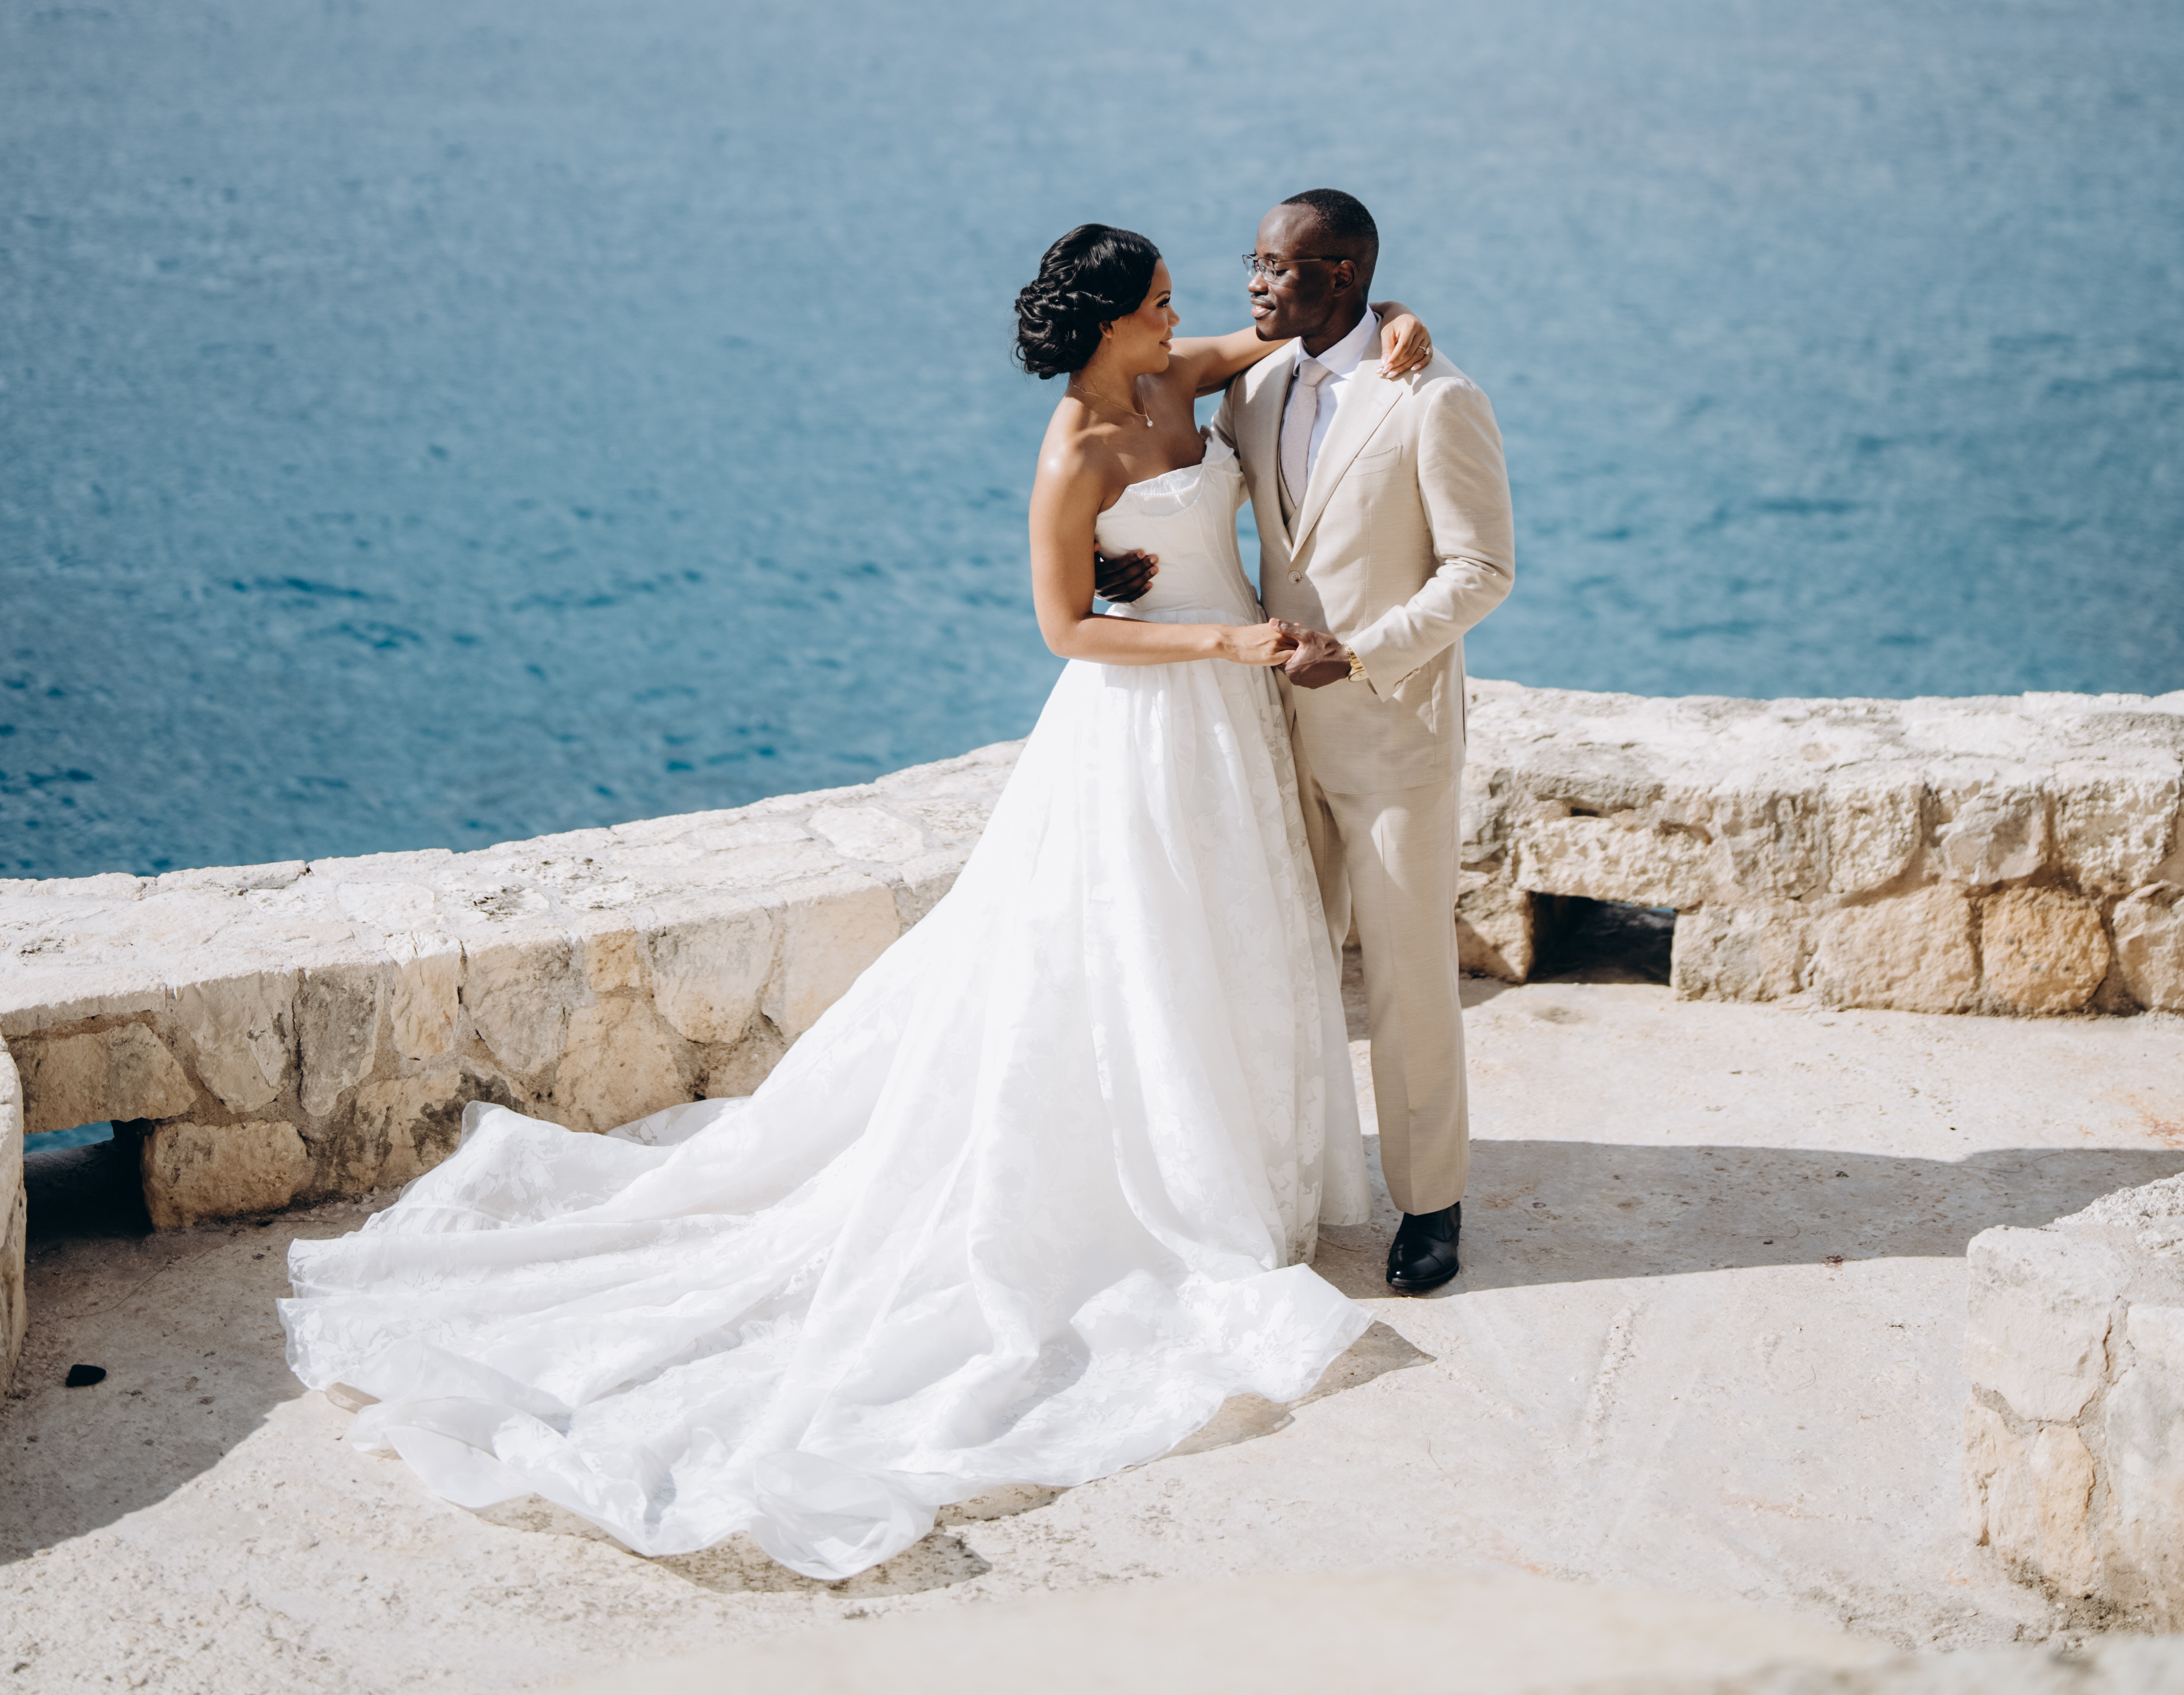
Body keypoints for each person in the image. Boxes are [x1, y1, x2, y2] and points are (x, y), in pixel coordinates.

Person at [278, 225, 1436, 1584]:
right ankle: (1156, 1184)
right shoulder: (1073, 452)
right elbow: (1066, 628)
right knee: (1132, 956)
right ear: (1110, 321)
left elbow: (1303, 330)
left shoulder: (1181, 378)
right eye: (1164, 302)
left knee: (1222, 943)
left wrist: (1395, 317)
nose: (1186, 318)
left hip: (1226, 728)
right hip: (1145, 718)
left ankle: (1234, 1156)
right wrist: (1228, 635)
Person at [1209, 190, 1515, 1298]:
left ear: (1341, 275)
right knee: (1280, 966)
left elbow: (1482, 570)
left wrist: (1365, 652)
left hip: (1393, 735)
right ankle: (1290, 1181)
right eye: (1253, 260)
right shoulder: (1253, 385)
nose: (1255, 282)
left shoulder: (1435, 398)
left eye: (1278, 266)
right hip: (1269, 733)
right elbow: (1185, 478)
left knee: (1406, 979)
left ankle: (1431, 1204)